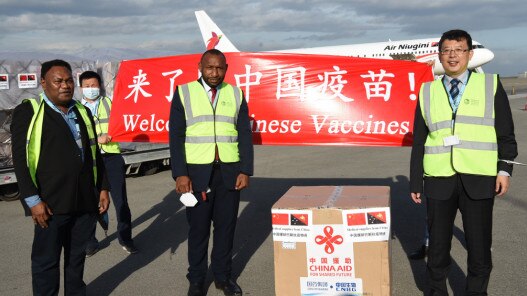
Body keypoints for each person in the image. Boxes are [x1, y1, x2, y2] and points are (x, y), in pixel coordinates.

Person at [410, 29, 518, 295]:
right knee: (436, 248)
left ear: (469, 54)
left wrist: (504, 170)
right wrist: (415, 180)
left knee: (480, 247)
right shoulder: (427, 91)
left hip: (479, 178)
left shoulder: (490, 85)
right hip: (438, 179)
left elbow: (505, 133)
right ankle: (436, 292)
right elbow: (419, 141)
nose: (452, 56)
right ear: (439, 56)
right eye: (446, 50)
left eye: (458, 50)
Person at [11, 59, 110, 295]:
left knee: (76, 261)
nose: (65, 85)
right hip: (50, 204)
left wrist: (103, 188)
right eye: (58, 81)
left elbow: (94, 153)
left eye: (68, 81)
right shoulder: (28, 111)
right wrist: (33, 201)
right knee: (47, 263)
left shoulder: (82, 111)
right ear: (44, 83)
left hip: (84, 202)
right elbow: (21, 161)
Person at [169, 49, 253, 296]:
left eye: (219, 68)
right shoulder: (184, 92)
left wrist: (245, 169)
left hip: (229, 173)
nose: (214, 73)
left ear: (226, 68)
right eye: (209, 68)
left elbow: (244, 135)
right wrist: (180, 174)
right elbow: (176, 136)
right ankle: (196, 279)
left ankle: (223, 277)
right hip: (196, 175)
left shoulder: (236, 93)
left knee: (226, 228)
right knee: (198, 230)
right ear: (200, 67)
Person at [79, 70, 138, 256]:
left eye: (94, 86)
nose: (91, 89)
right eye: (87, 86)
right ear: (81, 88)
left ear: (100, 86)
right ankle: (89, 240)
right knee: (89, 201)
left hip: (112, 157)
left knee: (121, 201)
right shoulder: (76, 109)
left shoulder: (110, 103)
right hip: (89, 161)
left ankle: (125, 238)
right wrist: (97, 140)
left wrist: (112, 135)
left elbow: (123, 124)